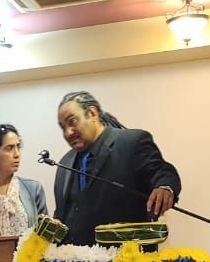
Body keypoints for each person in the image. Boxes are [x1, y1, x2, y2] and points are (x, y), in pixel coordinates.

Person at [53, 90, 181, 246]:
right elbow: (62, 216)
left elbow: (162, 171)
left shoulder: (131, 142)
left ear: (92, 113)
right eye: (62, 127)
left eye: (72, 122)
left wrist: (165, 187)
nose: (68, 132)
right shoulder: (64, 163)